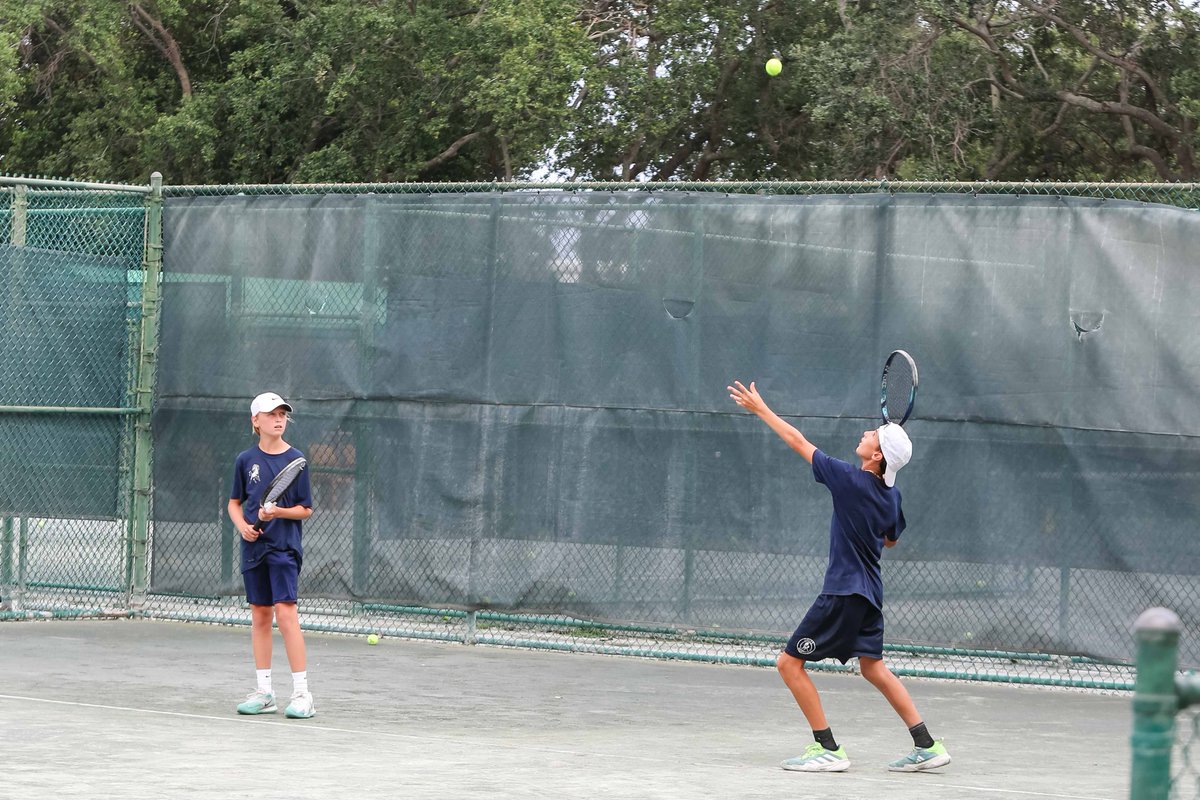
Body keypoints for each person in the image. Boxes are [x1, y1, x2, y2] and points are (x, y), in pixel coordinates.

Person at [727, 379, 950, 773]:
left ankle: (827, 748)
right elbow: (891, 539)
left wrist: (761, 409)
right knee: (873, 667)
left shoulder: (849, 480)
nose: (865, 433)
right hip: (870, 595)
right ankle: (927, 744)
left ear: (877, 455)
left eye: (873, 434)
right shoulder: (891, 496)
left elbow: (798, 441)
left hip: (843, 592)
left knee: (788, 664)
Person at [228, 391, 316, 719]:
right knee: (261, 617)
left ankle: (303, 694)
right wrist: (243, 527)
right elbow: (234, 503)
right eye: (271, 414)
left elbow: (305, 509)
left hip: (284, 549)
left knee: (286, 612)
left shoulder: (297, 460)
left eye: (282, 414)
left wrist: (277, 512)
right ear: (256, 421)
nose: (279, 419)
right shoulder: (244, 460)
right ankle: (265, 693)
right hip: (253, 548)